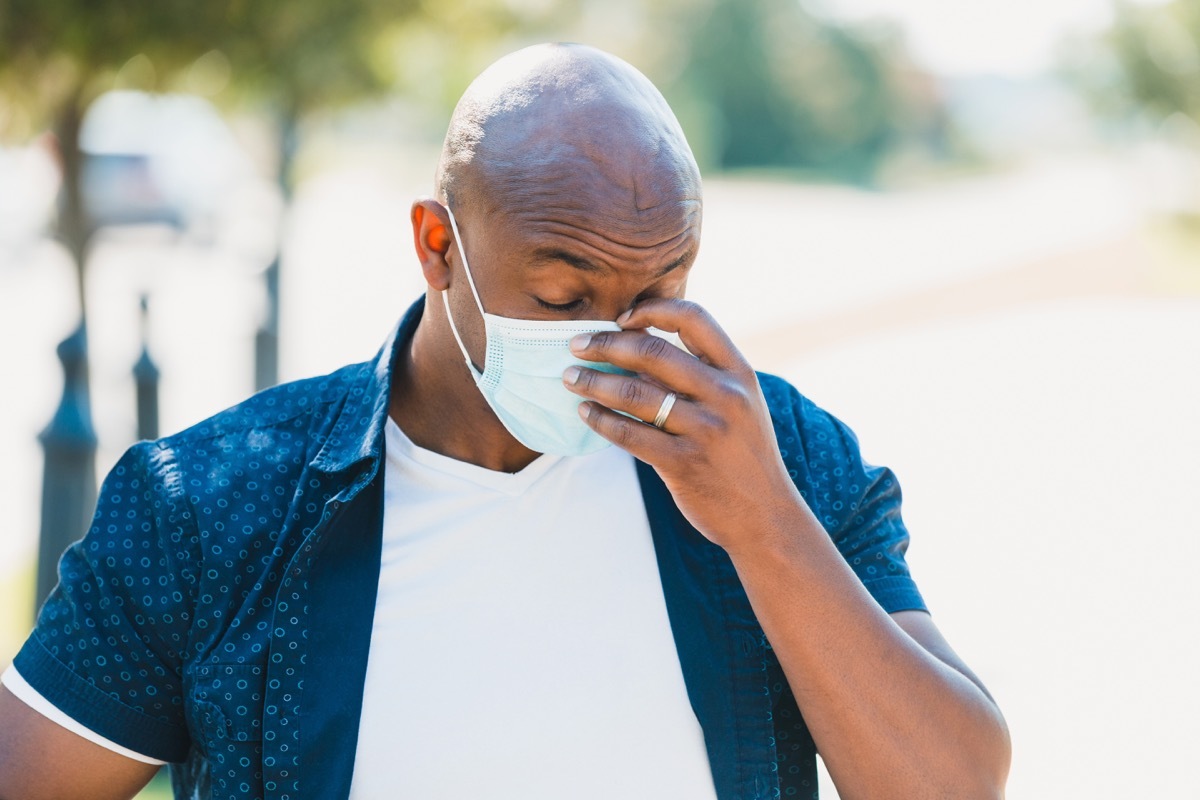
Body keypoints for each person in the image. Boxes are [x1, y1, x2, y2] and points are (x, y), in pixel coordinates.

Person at [0, 43, 1010, 800]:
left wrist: (764, 523)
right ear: (438, 245)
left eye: (660, 288)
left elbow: (954, 780)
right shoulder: (214, 507)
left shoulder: (781, 456)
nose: (617, 337)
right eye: (566, 297)